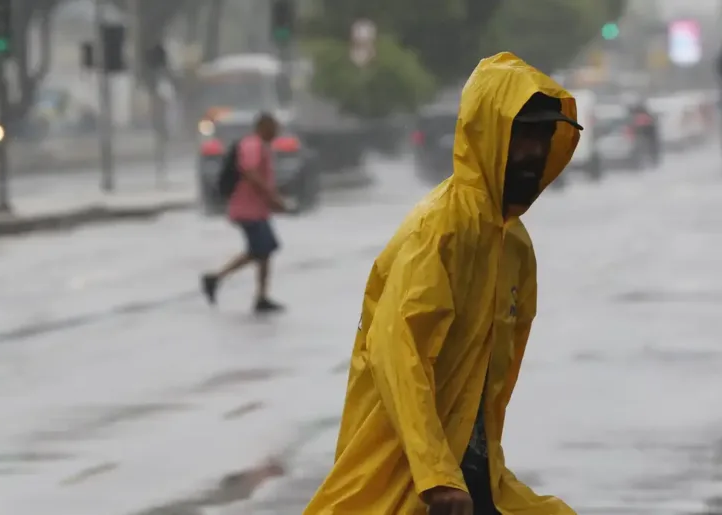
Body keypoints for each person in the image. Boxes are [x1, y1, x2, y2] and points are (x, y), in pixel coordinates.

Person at [304, 52, 583, 515]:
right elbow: (399, 351)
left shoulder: (513, 246)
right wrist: (435, 475)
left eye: (541, 136)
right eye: (521, 135)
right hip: (406, 477)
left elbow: (488, 383)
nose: (534, 152)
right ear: (487, 134)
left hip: (471, 475)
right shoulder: (439, 230)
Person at [201, 112, 288, 313]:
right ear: (264, 127)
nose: (277, 132)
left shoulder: (260, 146)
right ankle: (215, 278)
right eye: (274, 128)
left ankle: (261, 297)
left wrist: (271, 200)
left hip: (256, 209)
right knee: (261, 249)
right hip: (247, 209)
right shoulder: (253, 145)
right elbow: (249, 171)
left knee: (264, 250)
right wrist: (272, 196)